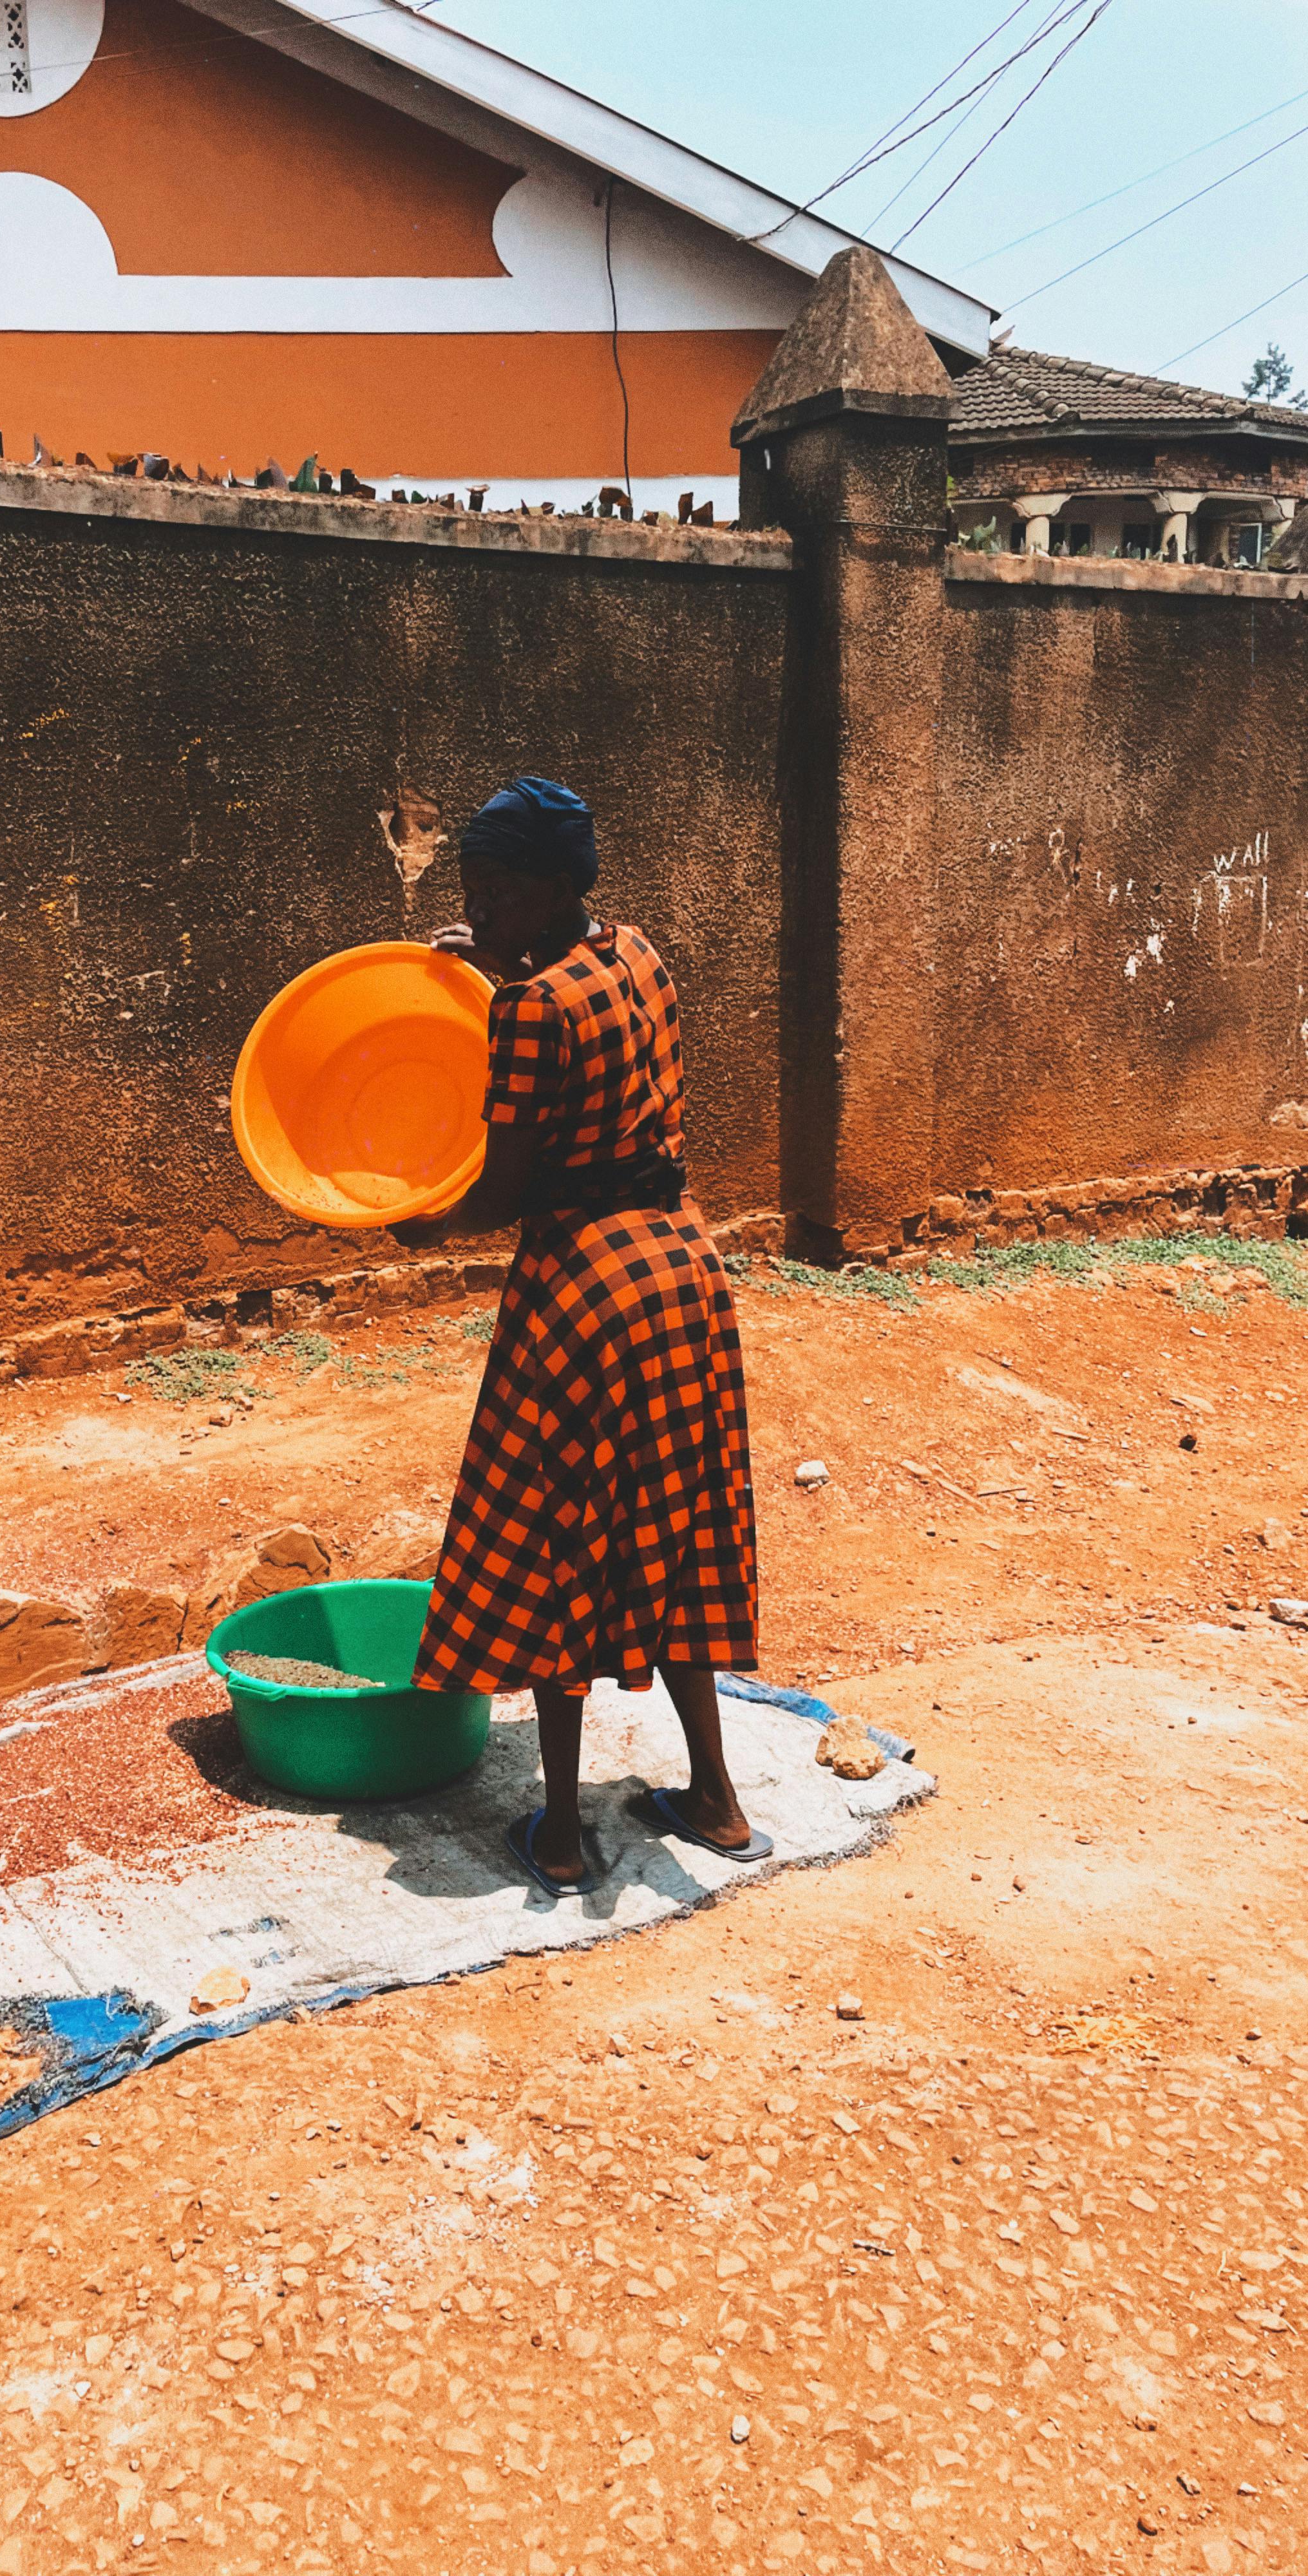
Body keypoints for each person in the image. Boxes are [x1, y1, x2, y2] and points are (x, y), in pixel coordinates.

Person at [393, 775, 768, 1895]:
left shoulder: (526, 1008)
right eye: (476, 893)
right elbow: (583, 1012)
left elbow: (505, 1188)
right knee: (683, 1529)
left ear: (557, 887)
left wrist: (422, 1224)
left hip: (583, 1294)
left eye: (499, 894)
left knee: (563, 1544)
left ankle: (559, 1829)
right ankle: (715, 1797)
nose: (484, 911)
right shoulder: (638, 953)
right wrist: (504, 955)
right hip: (682, 1275)